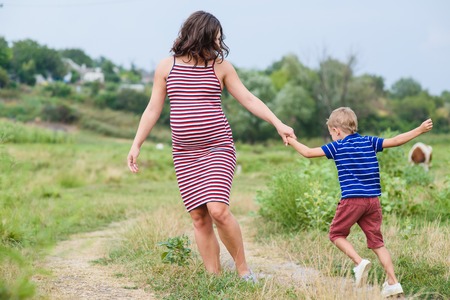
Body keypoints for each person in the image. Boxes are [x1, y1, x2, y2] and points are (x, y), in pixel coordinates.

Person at [127, 10, 296, 282]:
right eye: (215, 38)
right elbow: (152, 109)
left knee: (217, 210)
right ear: (200, 36)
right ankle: (214, 279)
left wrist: (278, 123)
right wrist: (136, 145)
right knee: (199, 217)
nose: (219, 43)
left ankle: (244, 271)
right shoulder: (166, 67)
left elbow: (249, 99)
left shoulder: (221, 67)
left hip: (218, 147)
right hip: (184, 153)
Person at [286, 107, 433, 298]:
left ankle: (359, 262)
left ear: (337, 131)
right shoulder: (369, 141)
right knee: (377, 243)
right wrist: (419, 130)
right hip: (373, 201)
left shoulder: (337, 146)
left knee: (336, 234)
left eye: (331, 133)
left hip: (352, 200)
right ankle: (393, 282)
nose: (332, 137)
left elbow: (307, 152)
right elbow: (396, 141)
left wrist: (289, 139)